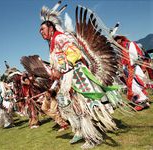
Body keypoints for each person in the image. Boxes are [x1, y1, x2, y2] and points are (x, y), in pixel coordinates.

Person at [39, 2, 118, 149]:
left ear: (51, 28)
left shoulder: (60, 38)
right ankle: (83, 132)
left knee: (81, 108)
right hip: (68, 79)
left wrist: (60, 70)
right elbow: (60, 61)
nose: (41, 32)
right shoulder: (53, 42)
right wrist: (55, 74)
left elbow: (74, 53)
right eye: (40, 31)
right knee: (72, 107)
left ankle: (93, 138)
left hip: (76, 77)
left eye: (43, 29)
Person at [114, 35, 150, 111]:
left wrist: (130, 64)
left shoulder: (129, 44)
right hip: (128, 68)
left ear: (121, 38)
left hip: (132, 67)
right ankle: (144, 102)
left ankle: (142, 103)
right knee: (134, 85)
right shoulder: (120, 48)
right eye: (116, 39)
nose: (117, 41)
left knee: (134, 85)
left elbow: (135, 56)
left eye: (118, 39)